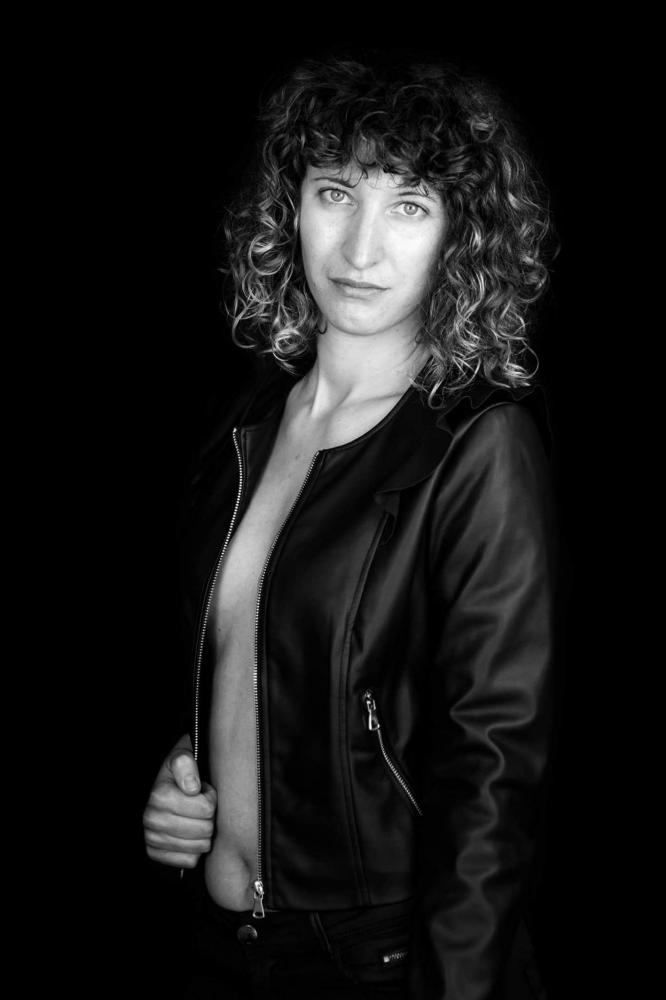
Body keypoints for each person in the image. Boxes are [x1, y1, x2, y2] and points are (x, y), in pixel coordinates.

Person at [142, 49, 558, 999]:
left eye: (409, 206)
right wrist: (186, 779)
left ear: (460, 235)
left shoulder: (476, 446)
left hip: (376, 960)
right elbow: (250, 665)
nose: (360, 250)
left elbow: (492, 777)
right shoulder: (249, 424)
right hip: (223, 949)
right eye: (336, 193)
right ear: (291, 207)